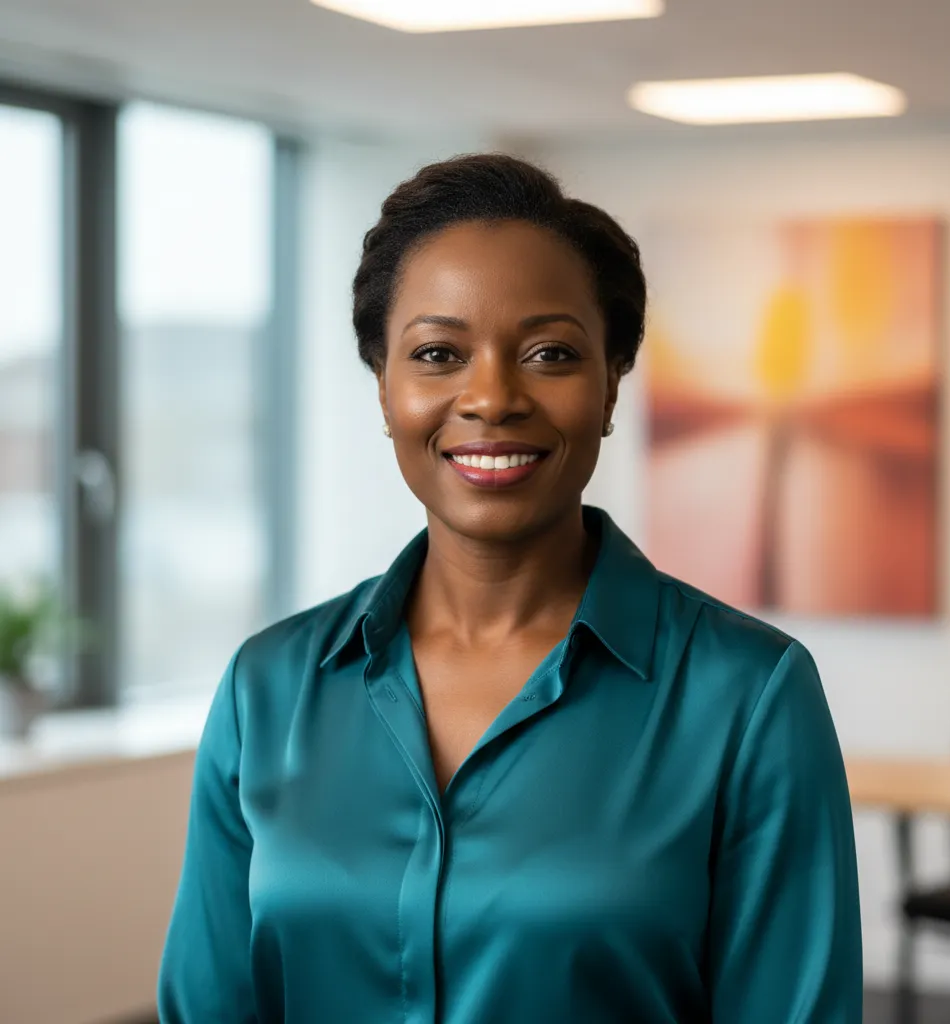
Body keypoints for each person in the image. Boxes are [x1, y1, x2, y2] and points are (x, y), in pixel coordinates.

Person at [158, 154, 861, 1023]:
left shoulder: (748, 697)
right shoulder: (266, 690)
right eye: (439, 353)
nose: (491, 397)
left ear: (611, 384)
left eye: (550, 353)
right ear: (384, 387)